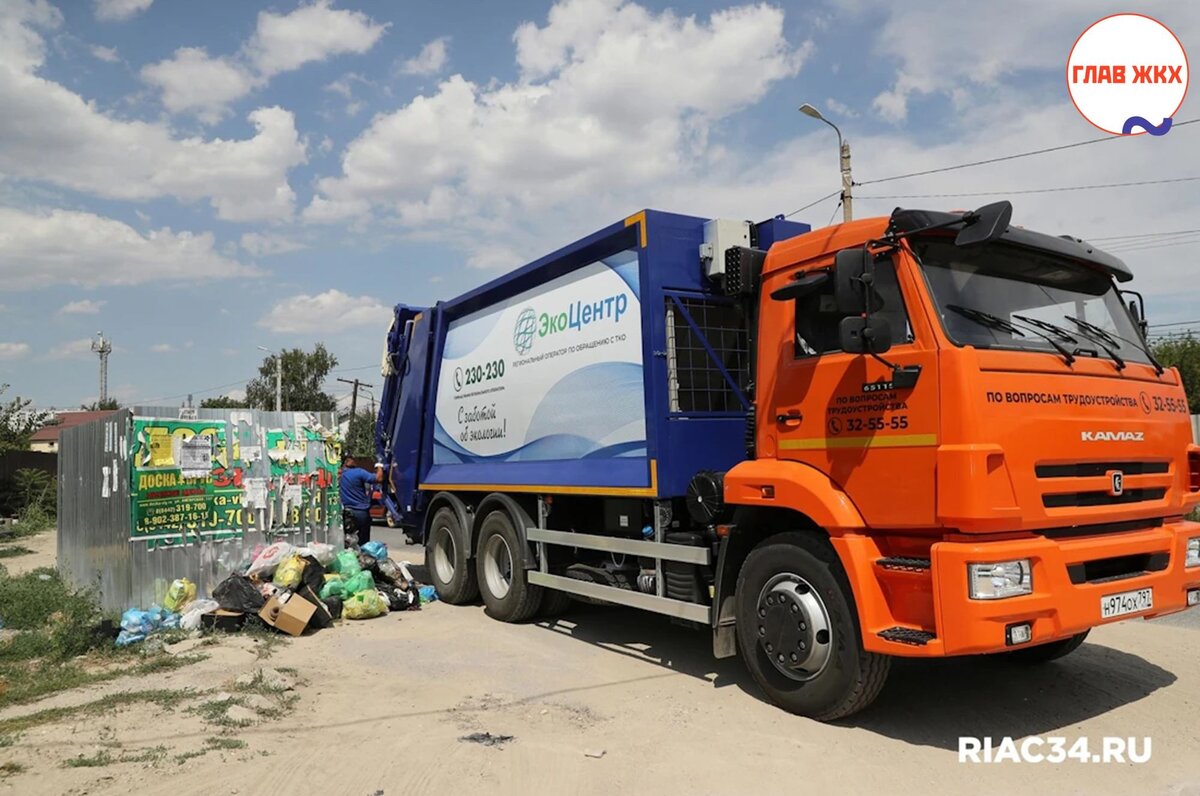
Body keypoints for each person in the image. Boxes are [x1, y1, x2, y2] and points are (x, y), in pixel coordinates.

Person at [339, 454, 382, 548]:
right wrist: (379, 465)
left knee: (348, 541)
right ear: (349, 461)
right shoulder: (358, 472)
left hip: (346, 513)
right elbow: (378, 478)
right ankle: (362, 559)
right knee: (363, 543)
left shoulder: (340, 474)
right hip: (360, 512)